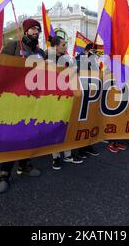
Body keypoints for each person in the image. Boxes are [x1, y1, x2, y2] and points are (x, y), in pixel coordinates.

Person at [0, 19, 44, 193]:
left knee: (28, 133)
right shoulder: (13, 46)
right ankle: (4, 173)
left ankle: (24, 165)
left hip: (33, 100)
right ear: (25, 31)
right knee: (12, 135)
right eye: (32, 28)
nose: (36, 30)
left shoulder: (41, 52)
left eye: (38, 28)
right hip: (13, 99)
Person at [49, 35, 84, 170]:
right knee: (55, 127)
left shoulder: (68, 59)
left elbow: (76, 72)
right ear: (56, 46)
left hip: (67, 97)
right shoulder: (49, 59)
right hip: (53, 99)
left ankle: (68, 154)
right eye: (63, 45)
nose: (65, 47)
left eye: (65, 45)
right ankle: (56, 156)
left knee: (67, 125)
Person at [75, 43, 101, 159]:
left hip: (92, 95)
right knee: (82, 122)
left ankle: (89, 145)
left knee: (91, 121)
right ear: (88, 51)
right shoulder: (78, 59)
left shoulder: (94, 61)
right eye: (94, 52)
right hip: (82, 95)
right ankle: (81, 148)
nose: (96, 55)